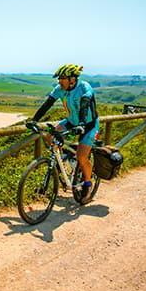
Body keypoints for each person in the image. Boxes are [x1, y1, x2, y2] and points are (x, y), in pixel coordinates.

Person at [26, 64, 99, 204]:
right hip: (71, 121)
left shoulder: (84, 87)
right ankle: (64, 158)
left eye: (62, 78)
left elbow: (84, 104)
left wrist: (82, 124)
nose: (59, 81)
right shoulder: (60, 89)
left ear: (72, 79)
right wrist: (34, 120)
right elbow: (47, 104)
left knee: (82, 157)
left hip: (89, 125)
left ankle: (88, 185)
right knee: (49, 136)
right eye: (59, 79)